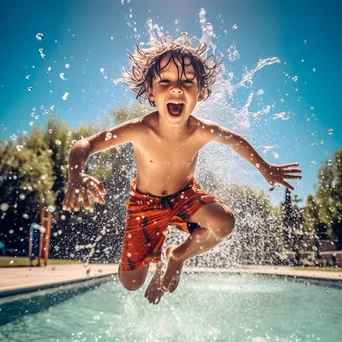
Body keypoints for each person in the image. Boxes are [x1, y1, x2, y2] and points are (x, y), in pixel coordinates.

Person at [62, 36, 302, 304]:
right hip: (145, 204)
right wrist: (76, 176)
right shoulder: (140, 128)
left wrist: (265, 169)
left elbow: (236, 141)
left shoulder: (203, 130)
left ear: (201, 93)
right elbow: (85, 144)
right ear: (151, 92)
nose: (176, 88)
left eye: (187, 81)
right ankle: (150, 261)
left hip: (184, 196)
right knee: (131, 283)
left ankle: (176, 256)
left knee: (224, 222)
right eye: (165, 81)